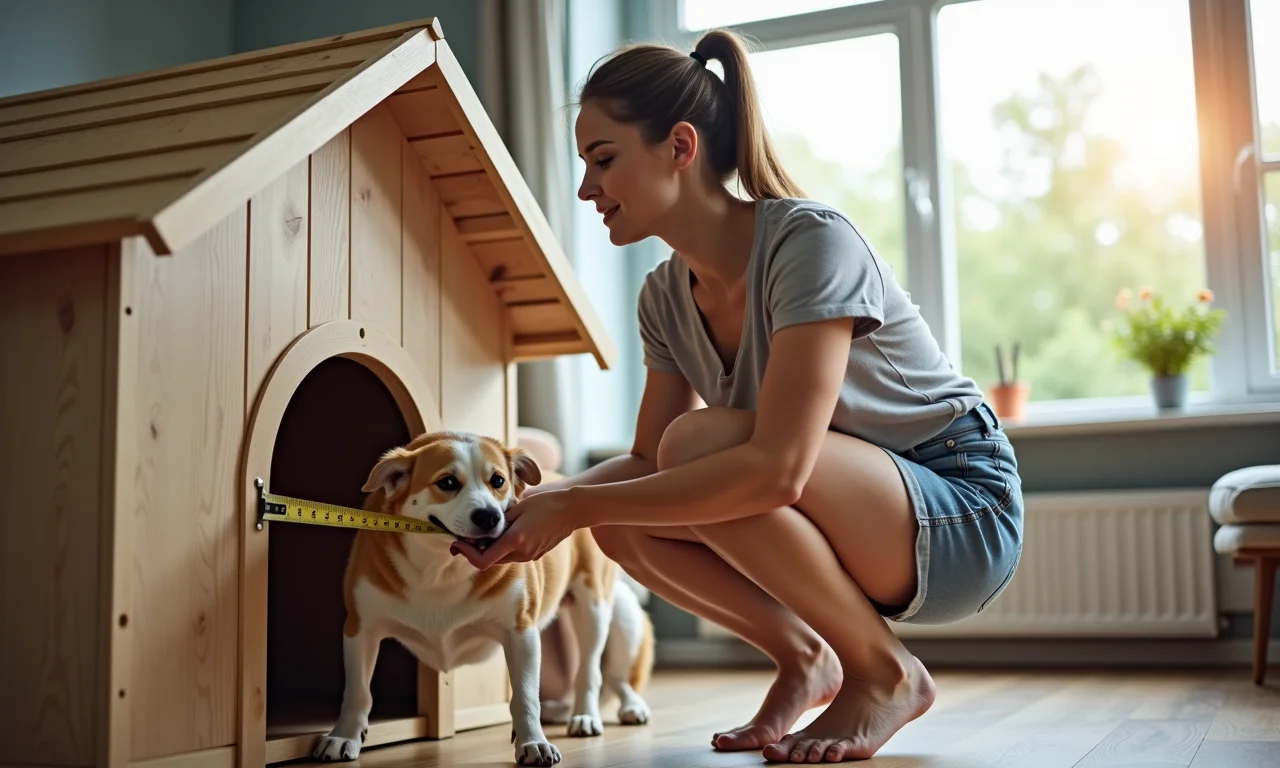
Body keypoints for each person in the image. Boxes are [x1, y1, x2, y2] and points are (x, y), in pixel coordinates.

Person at [450, 27, 1025, 764]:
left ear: (679, 147)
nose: (587, 189)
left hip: (959, 509)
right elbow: (644, 466)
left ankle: (886, 673)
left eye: (603, 159)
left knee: (694, 446)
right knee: (622, 515)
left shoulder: (811, 242)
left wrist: (576, 504)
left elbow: (778, 470)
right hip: (857, 514)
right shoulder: (663, 297)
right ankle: (806, 657)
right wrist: (541, 506)